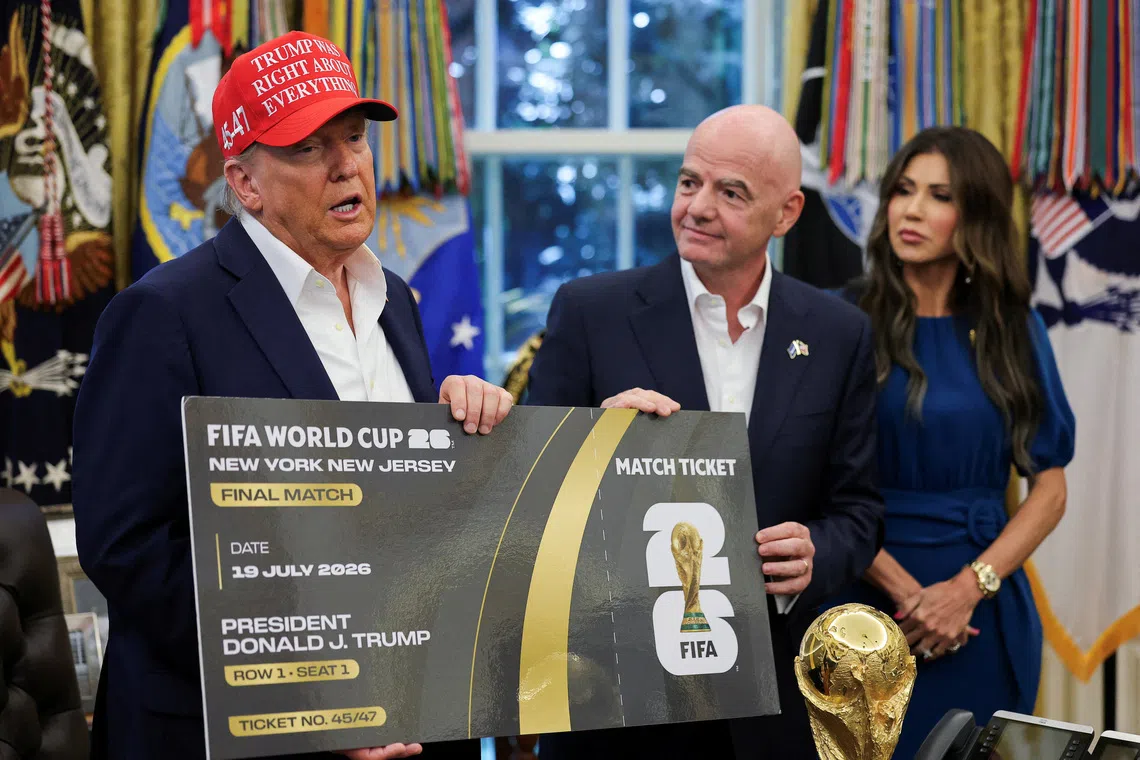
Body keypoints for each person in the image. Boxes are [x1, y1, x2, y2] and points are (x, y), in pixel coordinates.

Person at [71, 31, 511, 760]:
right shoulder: (163, 315)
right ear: (244, 182)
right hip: (242, 735)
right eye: (308, 148)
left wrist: (459, 438)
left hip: (414, 720)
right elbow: (127, 549)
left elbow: (391, 518)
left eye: (354, 137)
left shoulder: (394, 299)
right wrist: (313, 687)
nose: (347, 165)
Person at [525, 104, 885, 760]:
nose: (697, 207)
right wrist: (592, 447)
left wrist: (816, 552)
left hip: (769, 708)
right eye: (690, 182)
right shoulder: (590, 312)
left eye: (731, 192)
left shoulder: (839, 334)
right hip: (617, 704)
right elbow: (523, 506)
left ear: (787, 214)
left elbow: (858, 511)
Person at [831, 126, 1075, 758]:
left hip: (982, 610)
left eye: (939, 195)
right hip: (861, 599)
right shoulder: (837, 319)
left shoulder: (1013, 328)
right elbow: (807, 475)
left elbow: (1049, 484)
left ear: (976, 215)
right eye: (903, 190)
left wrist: (970, 586)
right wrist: (908, 596)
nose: (912, 210)